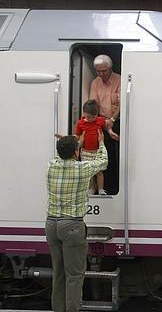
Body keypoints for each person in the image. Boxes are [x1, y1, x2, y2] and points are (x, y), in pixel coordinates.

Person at [45, 133, 108, 312]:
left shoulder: (51, 166)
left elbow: (62, 155)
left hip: (51, 225)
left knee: (58, 273)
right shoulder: (82, 169)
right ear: (76, 153)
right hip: (71, 225)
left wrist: (68, 142)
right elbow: (103, 161)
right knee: (74, 275)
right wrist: (101, 142)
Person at [57, 100, 118, 195]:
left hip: (97, 151)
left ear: (97, 114)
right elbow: (77, 137)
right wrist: (66, 137)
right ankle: (91, 188)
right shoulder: (80, 123)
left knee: (99, 172)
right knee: (89, 173)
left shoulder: (100, 120)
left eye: (94, 117)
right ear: (84, 113)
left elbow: (107, 126)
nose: (91, 119)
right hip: (85, 151)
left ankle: (101, 189)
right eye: (88, 117)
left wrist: (110, 132)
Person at [89, 54, 121, 195]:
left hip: (117, 120)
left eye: (104, 71)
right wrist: (101, 122)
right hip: (102, 122)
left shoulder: (119, 79)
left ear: (110, 68)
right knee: (105, 157)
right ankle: (106, 188)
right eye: (98, 71)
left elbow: (122, 104)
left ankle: (117, 186)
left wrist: (112, 120)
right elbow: (93, 105)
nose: (101, 74)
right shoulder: (95, 82)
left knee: (120, 156)